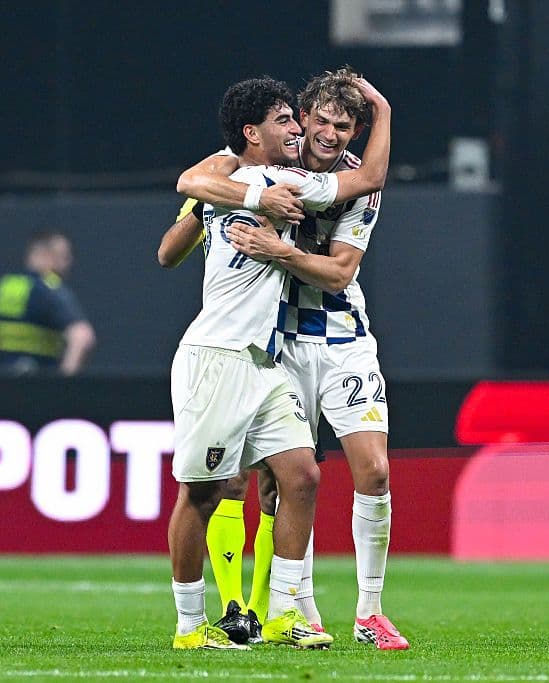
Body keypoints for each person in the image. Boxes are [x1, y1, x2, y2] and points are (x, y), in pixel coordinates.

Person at [167, 67, 408, 650]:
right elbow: (182, 207)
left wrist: (271, 240)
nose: (315, 133)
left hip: (290, 348)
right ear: (273, 127)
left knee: (303, 475)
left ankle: (285, 612)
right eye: (303, 121)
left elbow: (363, 196)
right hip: (230, 350)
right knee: (211, 489)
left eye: (342, 126)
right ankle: (199, 621)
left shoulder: (266, 177)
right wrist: (243, 200)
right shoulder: (249, 175)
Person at [0, 230, 95, 375]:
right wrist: (65, 381)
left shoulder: (4, 287)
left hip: (2, 383)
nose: (69, 262)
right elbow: (82, 336)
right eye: (63, 257)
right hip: (41, 385)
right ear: (46, 255)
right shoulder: (51, 289)